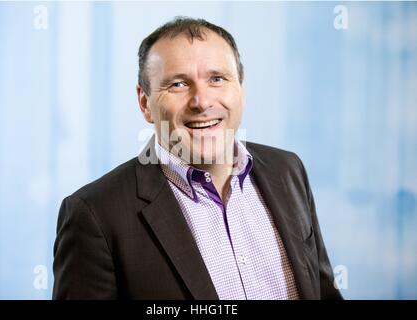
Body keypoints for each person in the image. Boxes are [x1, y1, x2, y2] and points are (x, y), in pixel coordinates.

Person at [52, 17, 343, 300]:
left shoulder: (287, 170)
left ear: (240, 88)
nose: (201, 101)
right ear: (145, 103)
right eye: (178, 84)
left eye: (217, 79)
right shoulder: (95, 214)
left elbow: (323, 291)